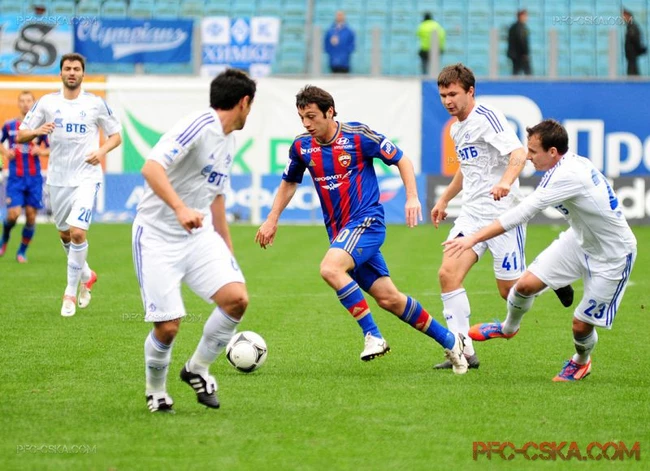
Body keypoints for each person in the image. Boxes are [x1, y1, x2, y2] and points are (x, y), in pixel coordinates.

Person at [255, 85, 468, 374]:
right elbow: (290, 181)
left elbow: (402, 159)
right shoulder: (302, 146)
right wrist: (272, 218)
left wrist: (412, 197)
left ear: (330, 112)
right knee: (389, 298)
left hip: (367, 223)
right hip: (341, 233)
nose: (306, 123)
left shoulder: (358, 136)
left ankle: (373, 335)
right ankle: (451, 341)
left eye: (311, 116)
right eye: (302, 117)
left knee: (330, 268)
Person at [443, 119, 637, 381]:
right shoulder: (565, 165)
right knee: (523, 286)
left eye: (533, 151)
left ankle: (581, 361)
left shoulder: (567, 175)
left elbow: (522, 213)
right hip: (578, 241)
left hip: (612, 256)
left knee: (580, 325)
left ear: (552, 152)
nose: (528, 157)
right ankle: (508, 328)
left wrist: (473, 238)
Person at [431, 63, 572, 370]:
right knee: (447, 274)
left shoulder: (487, 117)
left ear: (470, 91)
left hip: (503, 216)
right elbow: (466, 169)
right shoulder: (456, 128)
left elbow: (518, 154)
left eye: (453, 94)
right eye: (443, 95)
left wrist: (506, 182)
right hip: (471, 215)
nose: (447, 101)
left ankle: (550, 278)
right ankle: (462, 350)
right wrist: (444, 199)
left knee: (510, 292)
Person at [133, 69, 256, 413]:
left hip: (199, 236)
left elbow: (217, 198)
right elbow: (151, 167)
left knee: (236, 299)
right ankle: (156, 390)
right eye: (251, 106)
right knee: (168, 327)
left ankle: (197, 368)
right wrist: (179, 208)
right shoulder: (199, 125)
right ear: (244, 102)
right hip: (156, 236)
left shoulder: (228, 140)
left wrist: (227, 249)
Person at [18, 53, 121, 317]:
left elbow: (116, 136)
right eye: (67, 68)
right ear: (61, 73)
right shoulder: (47, 102)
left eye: (76, 69)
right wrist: (37, 131)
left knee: (77, 233)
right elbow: (21, 134)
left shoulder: (95, 103)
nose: (72, 72)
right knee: (65, 235)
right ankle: (87, 274)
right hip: (58, 179)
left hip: (87, 177)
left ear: (83, 73)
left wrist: (101, 151)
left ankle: (70, 292)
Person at [0, 91, 50, 262]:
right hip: (15, 178)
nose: (25, 104)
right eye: (22, 101)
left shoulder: (40, 128)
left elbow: (52, 148)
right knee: (13, 215)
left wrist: (41, 151)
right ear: (18, 104)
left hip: (34, 179)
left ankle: (21, 252)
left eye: (29, 101)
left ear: (34, 103)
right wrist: (5, 152)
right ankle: (4, 238)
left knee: (30, 216)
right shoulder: (9, 126)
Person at [507, 9, 531, 76]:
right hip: (520, 55)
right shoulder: (520, 28)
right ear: (520, 16)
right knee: (528, 73)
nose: (526, 18)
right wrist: (525, 53)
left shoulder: (513, 27)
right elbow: (522, 41)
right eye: (525, 16)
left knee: (516, 72)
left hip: (515, 55)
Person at [623, 9, 647, 76]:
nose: (623, 19)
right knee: (633, 72)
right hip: (631, 55)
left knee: (632, 73)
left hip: (632, 55)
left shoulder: (632, 28)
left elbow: (636, 41)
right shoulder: (631, 27)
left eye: (624, 17)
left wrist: (639, 50)